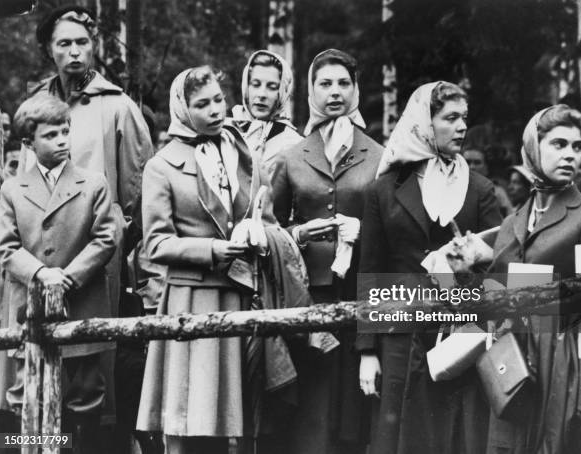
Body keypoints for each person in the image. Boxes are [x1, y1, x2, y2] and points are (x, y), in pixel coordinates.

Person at [20, 5, 154, 430]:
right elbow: (23, 183)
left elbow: (138, 189)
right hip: (40, 256)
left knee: (94, 372)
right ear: (48, 50)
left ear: (93, 46)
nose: (75, 52)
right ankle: (45, 441)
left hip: (98, 256)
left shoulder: (116, 107)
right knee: (41, 362)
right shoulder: (36, 106)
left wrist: (114, 243)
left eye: (82, 42)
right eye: (64, 44)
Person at [447, 104, 581, 454]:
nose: (570, 156)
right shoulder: (513, 222)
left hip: (564, 369)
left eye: (577, 147)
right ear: (534, 148)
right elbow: (494, 298)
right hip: (511, 363)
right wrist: (465, 273)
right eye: (559, 144)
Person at [356, 81, 502, 454]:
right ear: (424, 123)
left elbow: (498, 269)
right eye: (450, 118)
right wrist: (367, 353)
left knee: (455, 435)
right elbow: (371, 269)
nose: (461, 127)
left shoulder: (479, 189)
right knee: (401, 437)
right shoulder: (384, 191)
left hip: (460, 335)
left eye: (464, 118)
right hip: (400, 336)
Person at [136, 66, 275, 454]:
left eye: (218, 99)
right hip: (191, 297)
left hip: (242, 291)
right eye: (202, 104)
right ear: (183, 109)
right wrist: (212, 251)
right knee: (190, 414)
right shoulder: (161, 166)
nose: (216, 110)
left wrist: (261, 235)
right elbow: (156, 243)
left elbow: (267, 215)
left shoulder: (243, 152)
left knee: (241, 413)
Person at [271, 48, 384, 454]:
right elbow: (270, 228)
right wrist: (299, 234)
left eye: (343, 83)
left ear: (356, 89)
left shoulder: (379, 156)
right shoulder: (292, 156)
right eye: (325, 83)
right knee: (311, 409)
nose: (334, 92)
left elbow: (390, 229)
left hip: (358, 293)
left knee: (353, 408)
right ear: (310, 90)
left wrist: (364, 232)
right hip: (308, 298)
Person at [0, 94, 117, 453]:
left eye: (66, 132)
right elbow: (5, 246)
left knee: (86, 393)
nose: (62, 140)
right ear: (28, 143)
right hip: (27, 308)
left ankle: (82, 448)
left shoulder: (93, 183)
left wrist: (66, 276)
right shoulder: (13, 189)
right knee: (25, 392)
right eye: (51, 135)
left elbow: (107, 237)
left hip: (81, 302)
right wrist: (39, 274)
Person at [232, 50, 302, 178]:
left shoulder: (293, 144)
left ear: (282, 92)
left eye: (272, 87)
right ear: (246, 88)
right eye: (256, 85)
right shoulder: (228, 132)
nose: (262, 94)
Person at [464, 148, 514, 216]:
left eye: (477, 163)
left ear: (486, 167)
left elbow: (509, 219)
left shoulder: (497, 192)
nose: (472, 167)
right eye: (467, 162)